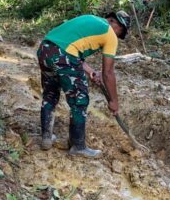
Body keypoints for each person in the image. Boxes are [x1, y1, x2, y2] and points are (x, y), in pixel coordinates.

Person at [37, 11, 130, 157]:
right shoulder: (110, 33)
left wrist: (90, 72)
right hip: (64, 56)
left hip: (45, 50)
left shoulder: (90, 19)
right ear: (117, 25)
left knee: (50, 94)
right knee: (80, 100)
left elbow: (69, 48)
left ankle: (46, 138)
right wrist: (114, 101)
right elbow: (108, 73)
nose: (117, 36)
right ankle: (78, 146)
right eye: (120, 33)